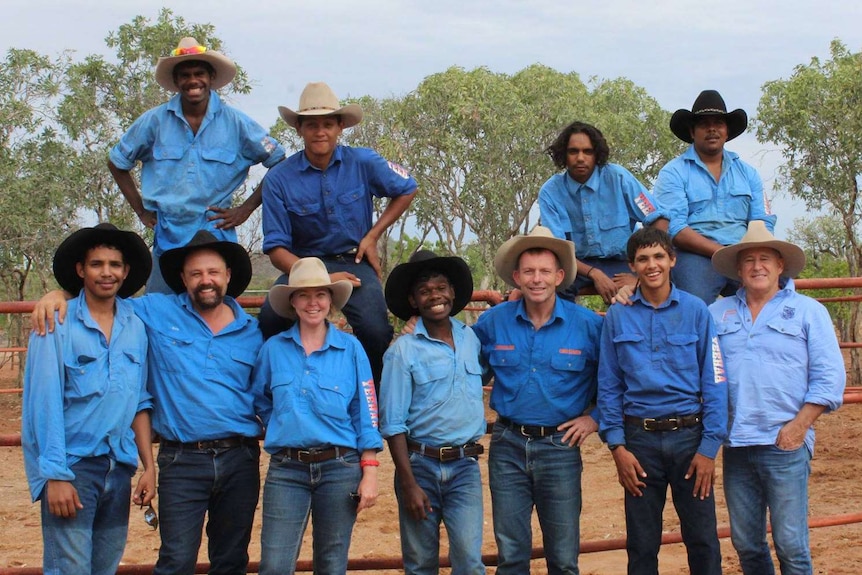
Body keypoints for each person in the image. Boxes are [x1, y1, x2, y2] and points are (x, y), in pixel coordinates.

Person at [32, 230, 264, 575]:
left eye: (213, 272)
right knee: (175, 559)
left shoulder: (252, 331)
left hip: (239, 458)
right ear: (182, 279)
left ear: (228, 275)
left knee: (231, 559)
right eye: (196, 273)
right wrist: (56, 295)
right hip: (182, 458)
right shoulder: (152, 311)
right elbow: (101, 296)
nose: (206, 281)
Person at [258, 81, 417, 387]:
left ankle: (375, 400)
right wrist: (316, 279)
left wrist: (372, 236)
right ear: (299, 129)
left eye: (328, 124)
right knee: (268, 320)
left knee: (375, 329)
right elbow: (276, 249)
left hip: (353, 261)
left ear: (340, 127)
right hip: (301, 266)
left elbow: (407, 188)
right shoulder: (279, 179)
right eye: (312, 125)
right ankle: (280, 390)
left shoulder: (364, 162)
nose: (321, 132)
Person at [709, 221, 845, 575]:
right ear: (738, 269)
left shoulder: (808, 311)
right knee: (747, 544)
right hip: (736, 444)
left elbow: (830, 377)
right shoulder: (716, 314)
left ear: (780, 265)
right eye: (749, 259)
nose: (757, 266)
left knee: (791, 544)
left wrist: (799, 427)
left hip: (784, 442)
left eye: (765, 258)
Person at [22, 223, 155, 575]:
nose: (106, 272)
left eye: (114, 264)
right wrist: (55, 475)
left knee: (104, 567)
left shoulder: (135, 325)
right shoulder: (56, 323)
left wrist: (148, 466)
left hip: (118, 467)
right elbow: (43, 403)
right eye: (97, 264)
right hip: (74, 467)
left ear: (126, 272)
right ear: (81, 270)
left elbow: (139, 401)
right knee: (70, 569)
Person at [471, 225, 602, 575]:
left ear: (560, 276)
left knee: (562, 557)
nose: (537, 279)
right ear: (516, 276)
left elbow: (616, 380)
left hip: (560, 447)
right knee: (512, 555)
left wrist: (595, 418)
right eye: (528, 271)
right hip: (507, 445)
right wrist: (416, 328)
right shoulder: (492, 323)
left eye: (545, 271)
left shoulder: (589, 325)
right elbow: (462, 368)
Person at [108, 36, 285, 293]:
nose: (193, 81)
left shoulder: (237, 123)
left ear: (211, 77)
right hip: (169, 232)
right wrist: (141, 211)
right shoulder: (154, 122)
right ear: (177, 81)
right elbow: (117, 162)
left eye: (199, 73)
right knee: (162, 311)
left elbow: (278, 161)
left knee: (213, 307)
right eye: (185, 74)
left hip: (215, 231)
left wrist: (245, 209)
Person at [598, 227, 727, 575]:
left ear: (672, 259)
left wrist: (709, 447)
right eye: (643, 259)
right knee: (641, 544)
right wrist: (617, 447)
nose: (651, 265)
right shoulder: (618, 316)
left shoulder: (698, 311)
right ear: (632, 265)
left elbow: (715, 379)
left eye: (658, 256)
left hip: (691, 439)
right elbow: (608, 385)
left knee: (702, 539)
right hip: (638, 443)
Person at [252, 257, 382, 575]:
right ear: (293, 301)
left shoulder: (351, 349)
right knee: (274, 564)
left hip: (340, 468)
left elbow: (365, 411)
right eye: (304, 295)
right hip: (286, 469)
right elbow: (259, 399)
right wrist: (279, 424)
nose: (314, 303)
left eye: (321, 295)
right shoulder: (272, 350)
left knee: (332, 563)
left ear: (330, 301)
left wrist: (370, 471)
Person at [380, 250, 486, 575]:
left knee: (469, 560)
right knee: (420, 562)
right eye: (425, 291)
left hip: (465, 467)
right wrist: (408, 483)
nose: (435, 296)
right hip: (420, 466)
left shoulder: (471, 339)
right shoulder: (403, 351)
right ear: (413, 301)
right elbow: (393, 423)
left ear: (453, 292)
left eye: (441, 287)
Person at [653, 89, 776, 304]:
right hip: (696, 256)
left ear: (727, 131)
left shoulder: (748, 173)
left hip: (743, 252)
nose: (712, 129)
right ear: (692, 132)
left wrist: (747, 254)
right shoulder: (673, 172)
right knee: (693, 303)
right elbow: (676, 229)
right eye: (703, 124)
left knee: (782, 290)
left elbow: (763, 221)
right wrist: (722, 253)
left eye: (718, 123)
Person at [539, 121, 669, 304]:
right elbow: (557, 250)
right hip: (575, 265)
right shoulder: (550, 192)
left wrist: (642, 270)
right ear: (564, 155)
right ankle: (567, 330)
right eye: (573, 151)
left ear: (597, 154)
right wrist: (594, 274)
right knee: (552, 282)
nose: (580, 158)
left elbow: (658, 219)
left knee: (652, 286)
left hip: (624, 262)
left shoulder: (618, 178)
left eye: (588, 151)